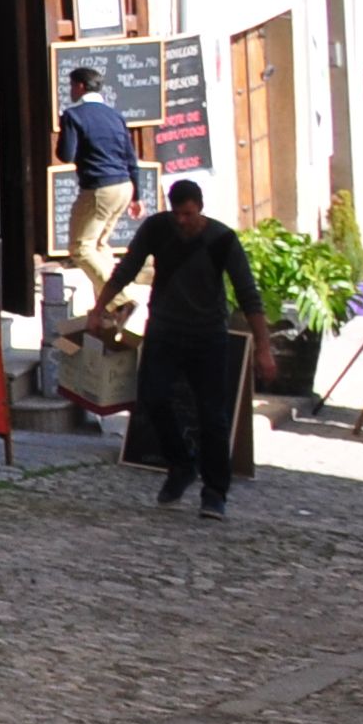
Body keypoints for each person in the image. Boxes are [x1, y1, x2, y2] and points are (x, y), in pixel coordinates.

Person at [96, 179, 269, 516]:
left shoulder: (222, 240)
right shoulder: (158, 229)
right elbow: (127, 269)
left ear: (199, 209)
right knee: (152, 398)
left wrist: (264, 346)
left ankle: (215, 491)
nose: (182, 222)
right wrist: (99, 309)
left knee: (212, 416)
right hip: (165, 330)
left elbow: (248, 294)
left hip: (208, 336)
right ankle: (181, 465)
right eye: (177, 214)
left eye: (188, 214)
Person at [55, 66, 139, 304]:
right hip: (124, 187)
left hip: (99, 188)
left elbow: (66, 155)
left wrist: (65, 129)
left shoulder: (74, 116)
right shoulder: (115, 116)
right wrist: (139, 196)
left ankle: (121, 301)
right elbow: (131, 157)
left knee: (81, 248)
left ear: (80, 86)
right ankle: (106, 309)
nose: (70, 91)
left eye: (72, 86)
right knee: (100, 244)